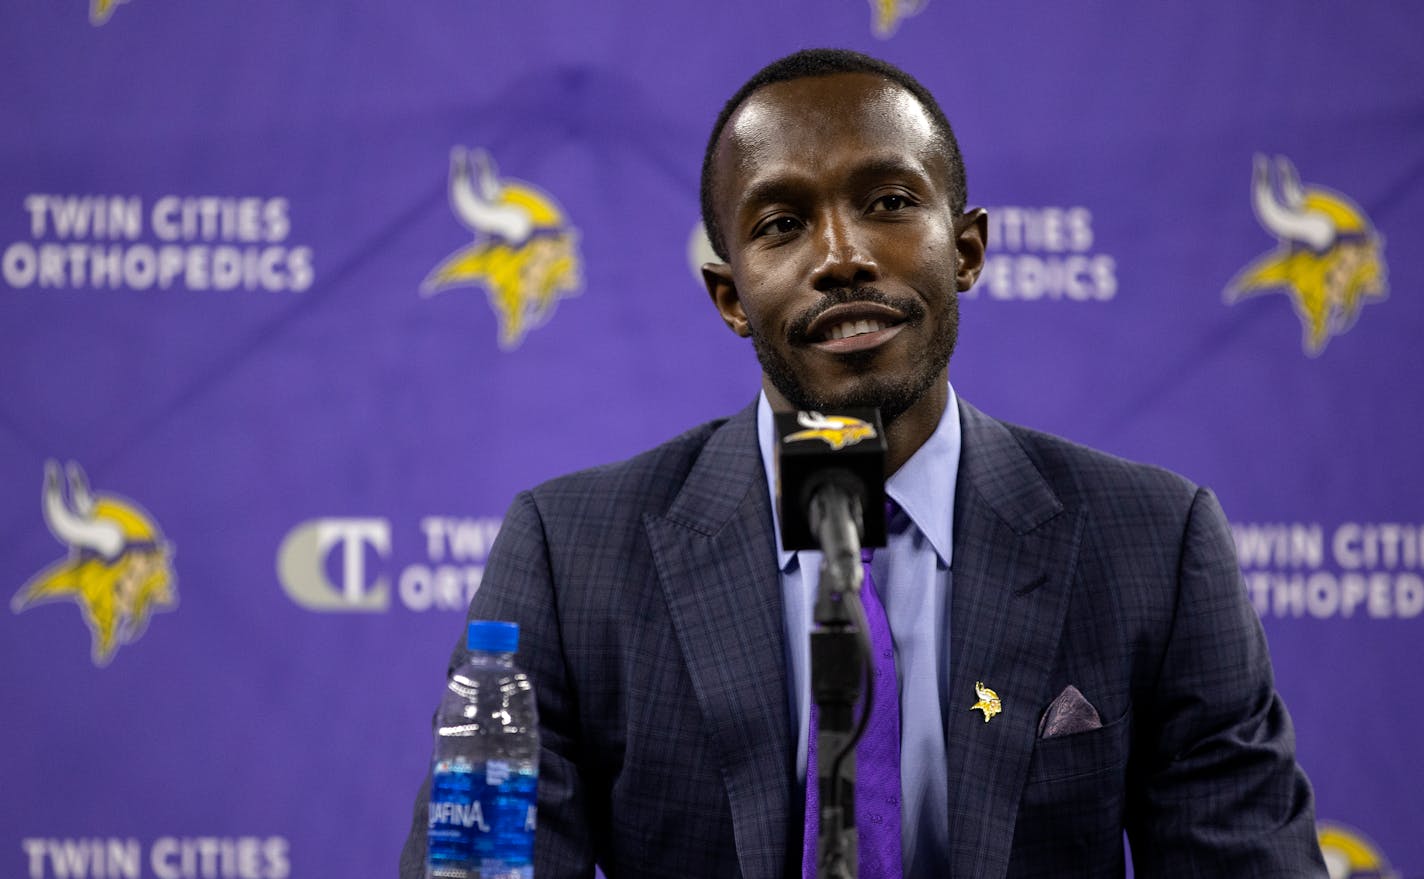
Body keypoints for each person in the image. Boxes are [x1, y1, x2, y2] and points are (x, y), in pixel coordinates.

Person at [401, 49, 1327, 878]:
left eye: (888, 203)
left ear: (966, 250)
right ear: (730, 297)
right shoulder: (570, 556)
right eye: (779, 224)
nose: (841, 257)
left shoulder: (1152, 545)